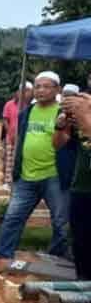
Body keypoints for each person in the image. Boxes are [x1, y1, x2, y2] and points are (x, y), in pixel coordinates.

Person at [0, 72, 74, 263]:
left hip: (54, 175)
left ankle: (55, 259)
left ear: (57, 89)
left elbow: (66, 142)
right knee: (13, 217)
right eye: (38, 86)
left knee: (60, 222)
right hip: (26, 176)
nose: (41, 90)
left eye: (46, 86)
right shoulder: (27, 113)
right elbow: (20, 140)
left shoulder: (63, 113)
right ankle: (3, 255)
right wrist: (16, 168)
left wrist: (60, 127)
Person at [59, 93, 91, 279]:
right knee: (81, 244)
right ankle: (84, 288)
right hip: (81, 188)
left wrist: (85, 117)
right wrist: (61, 126)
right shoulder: (83, 113)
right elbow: (59, 143)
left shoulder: (85, 114)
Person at [1, 83, 33, 186]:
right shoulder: (9, 104)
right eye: (23, 90)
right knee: (9, 160)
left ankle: (21, 180)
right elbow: (5, 120)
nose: (24, 93)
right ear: (18, 92)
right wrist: (10, 133)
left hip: (26, 137)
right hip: (11, 137)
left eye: (27, 91)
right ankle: (8, 181)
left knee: (23, 159)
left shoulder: (32, 106)